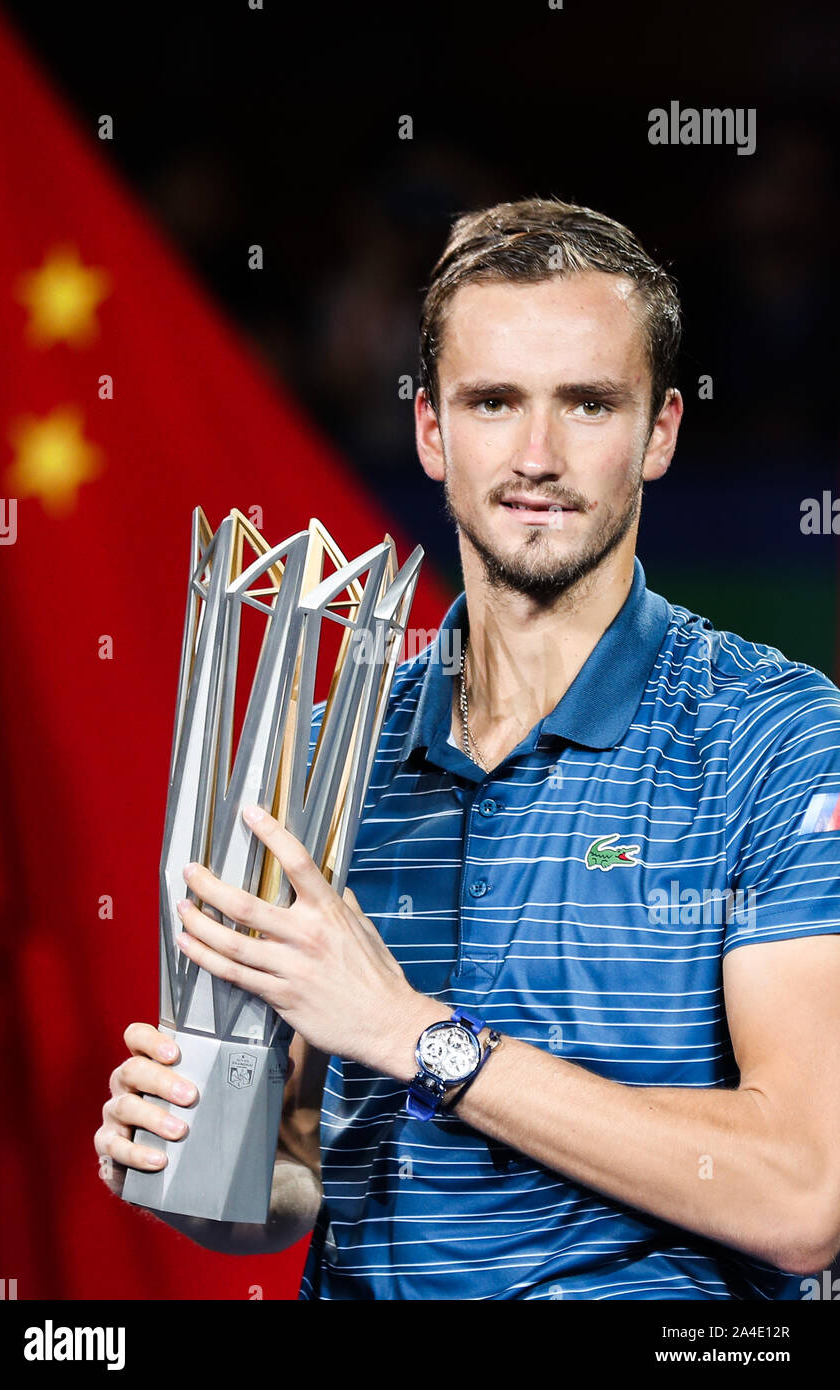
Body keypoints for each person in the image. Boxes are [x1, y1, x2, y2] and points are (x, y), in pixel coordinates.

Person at [95, 197, 840, 1300]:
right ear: (431, 433)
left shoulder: (774, 734)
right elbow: (301, 1161)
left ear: (661, 431)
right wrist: (199, 1159)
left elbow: (798, 1196)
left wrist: (417, 1036)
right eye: (492, 402)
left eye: (586, 403)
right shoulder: (323, 749)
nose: (535, 456)